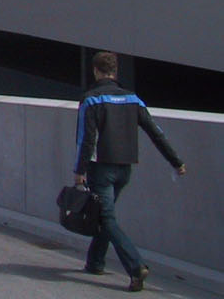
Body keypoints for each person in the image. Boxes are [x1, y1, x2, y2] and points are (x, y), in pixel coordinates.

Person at [73, 51, 186, 291]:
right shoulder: (133, 98)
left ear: (95, 71)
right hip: (124, 169)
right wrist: (176, 161)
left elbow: (86, 139)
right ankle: (95, 263)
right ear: (115, 72)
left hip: (101, 169)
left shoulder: (91, 99)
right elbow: (155, 132)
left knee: (106, 217)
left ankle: (136, 267)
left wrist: (79, 170)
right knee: (104, 215)